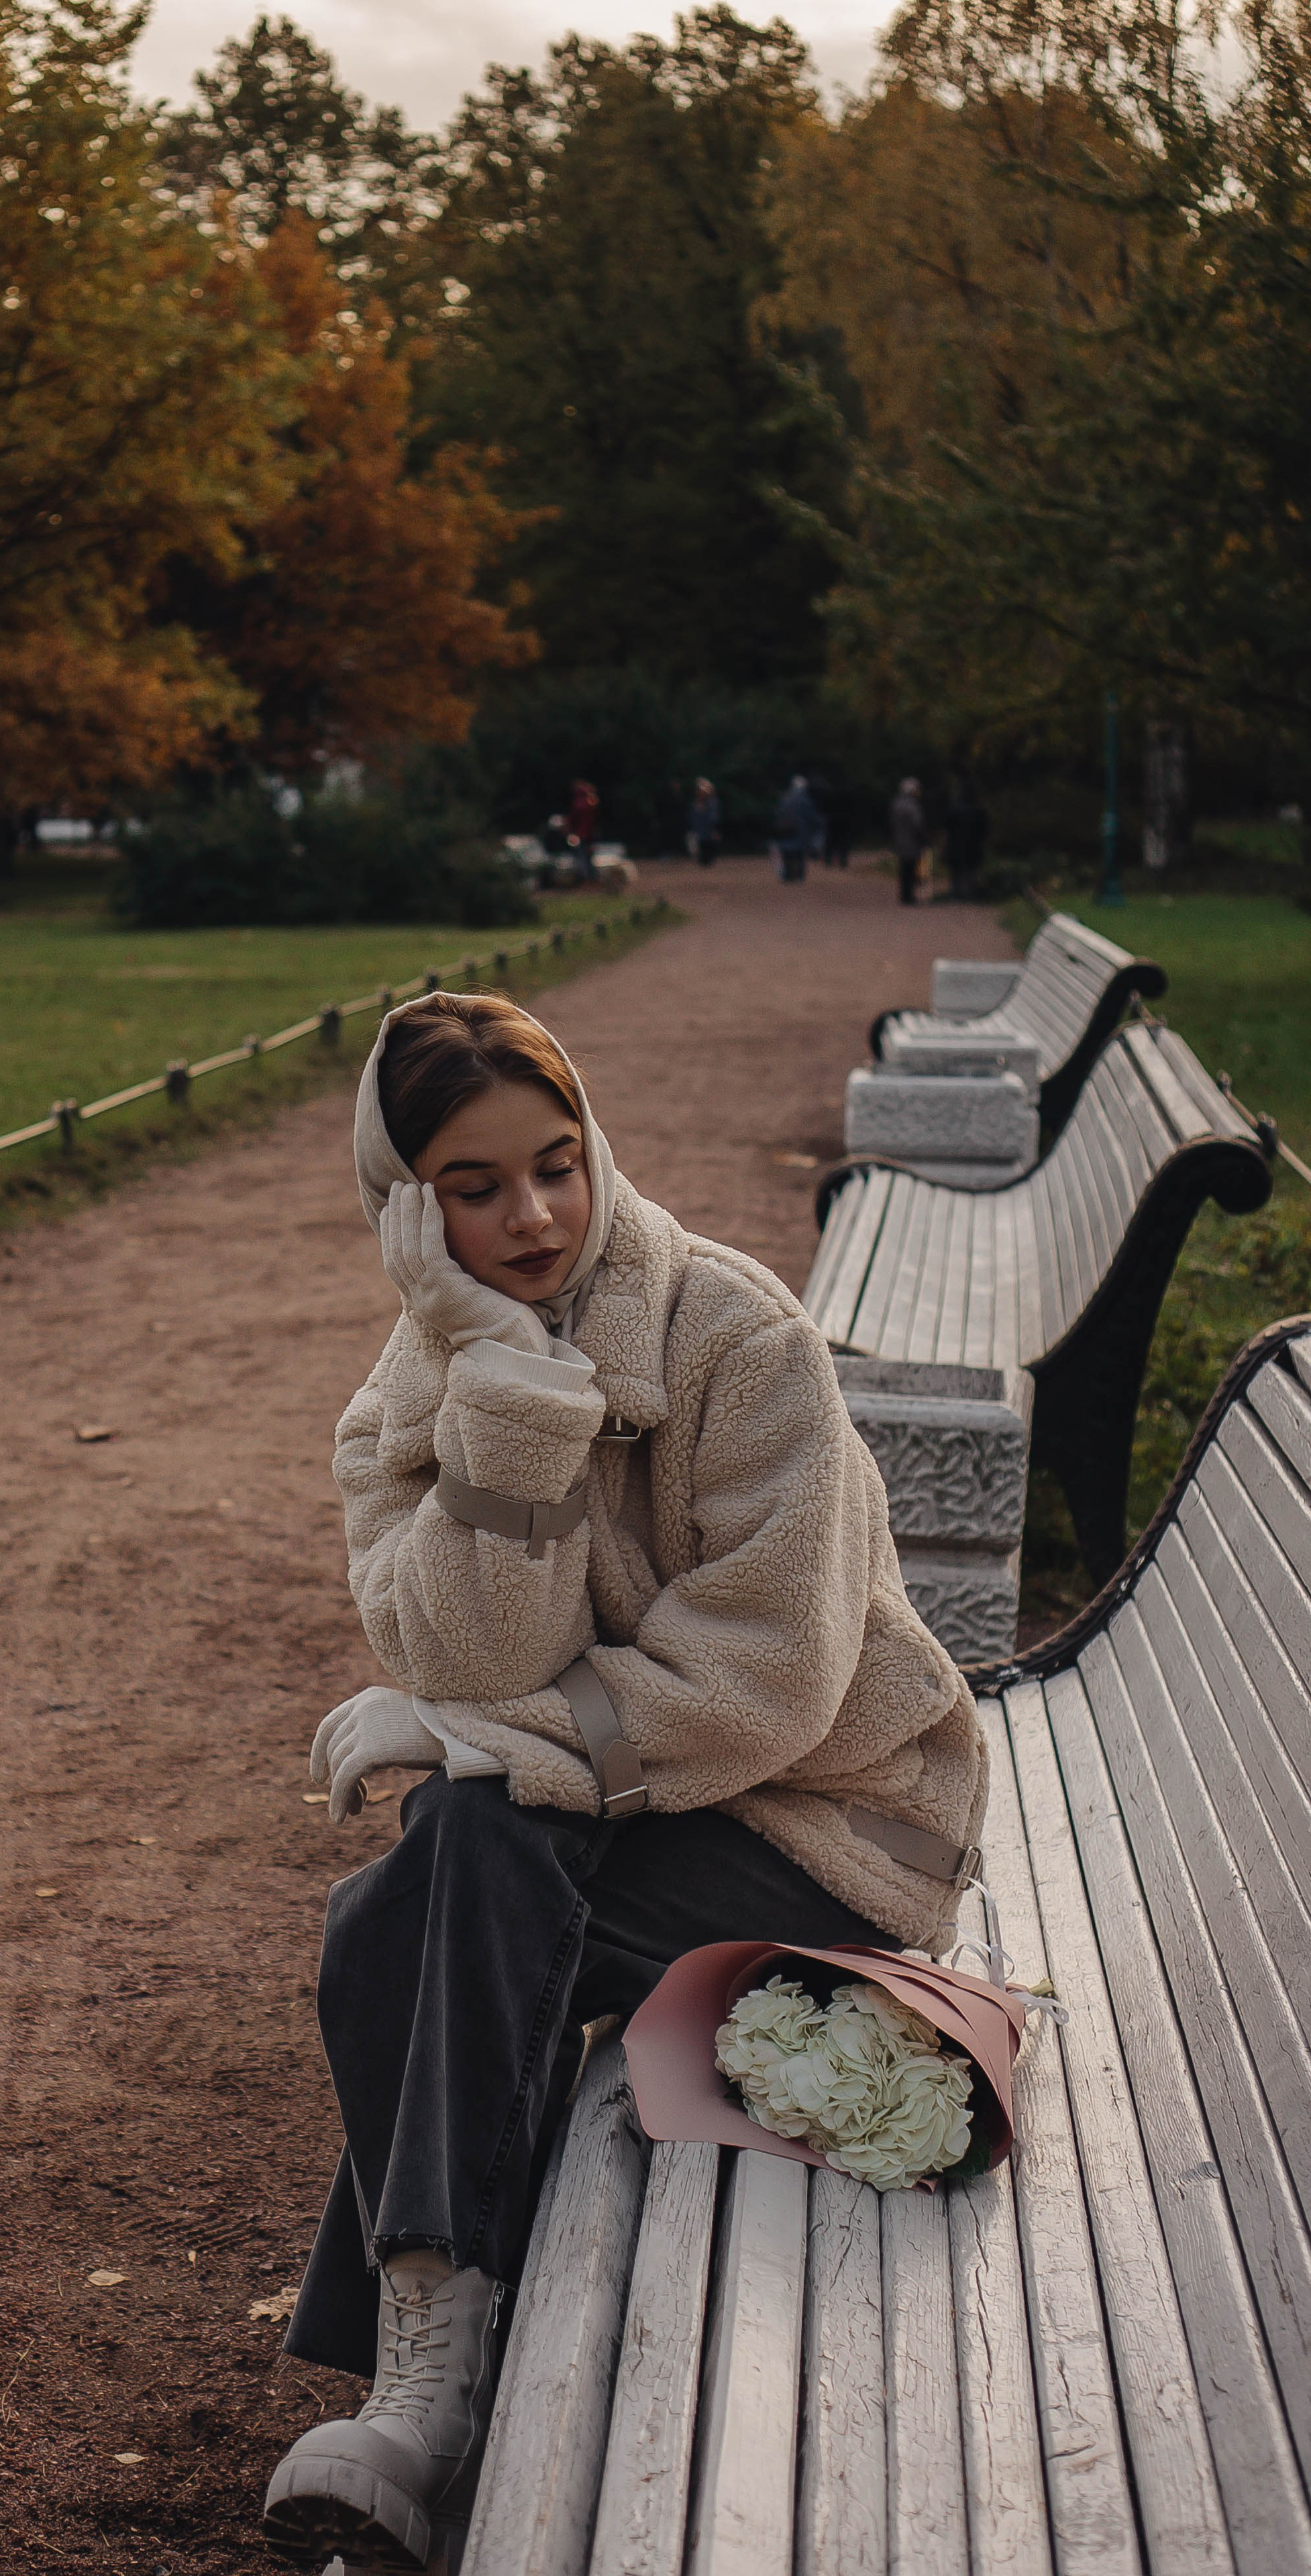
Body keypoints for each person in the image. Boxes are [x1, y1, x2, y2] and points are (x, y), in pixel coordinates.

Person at [262, 993, 988, 2569]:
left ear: (595, 1149)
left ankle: (422, 2376)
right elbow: (467, 1649)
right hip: (628, 1824)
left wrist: (485, 1740)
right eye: (470, 1184)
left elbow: (764, 1682)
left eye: (556, 1161)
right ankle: (439, 2353)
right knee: (449, 1869)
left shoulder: (730, 1333)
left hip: (831, 1822)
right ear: (404, 1207)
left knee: (416, 1896)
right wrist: (508, 1401)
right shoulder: (407, 1399)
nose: (529, 1215)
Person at [944, 775, 990, 902]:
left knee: (957, 871)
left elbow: (948, 826)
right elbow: (984, 828)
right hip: (973, 844)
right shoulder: (979, 808)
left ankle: (956, 894)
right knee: (971, 870)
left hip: (956, 844)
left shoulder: (955, 808)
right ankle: (970, 893)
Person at [772, 774, 821, 883]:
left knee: (787, 853)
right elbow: (811, 816)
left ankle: (789, 875)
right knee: (800, 854)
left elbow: (778, 813)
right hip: (801, 831)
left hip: (786, 830)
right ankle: (799, 875)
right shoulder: (805, 799)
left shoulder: (785, 797)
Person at [889, 776, 929, 904]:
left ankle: (904, 895)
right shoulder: (913, 805)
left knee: (903, 868)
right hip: (912, 841)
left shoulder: (896, 803)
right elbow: (918, 823)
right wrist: (924, 838)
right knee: (911, 869)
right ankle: (909, 896)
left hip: (899, 840)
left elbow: (891, 823)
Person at [564, 779, 600, 884]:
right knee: (588, 857)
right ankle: (591, 877)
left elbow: (573, 819)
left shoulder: (579, 803)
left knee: (581, 856)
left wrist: (568, 827)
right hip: (591, 834)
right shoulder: (592, 801)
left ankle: (585, 878)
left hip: (580, 834)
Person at [685, 776, 721, 867]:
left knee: (707, 859)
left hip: (707, 834)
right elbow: (691, 819)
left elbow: (713, 819)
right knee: (696, 853)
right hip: (697, 833)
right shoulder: (694, 804)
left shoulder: (712, 803)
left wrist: (714, 830)